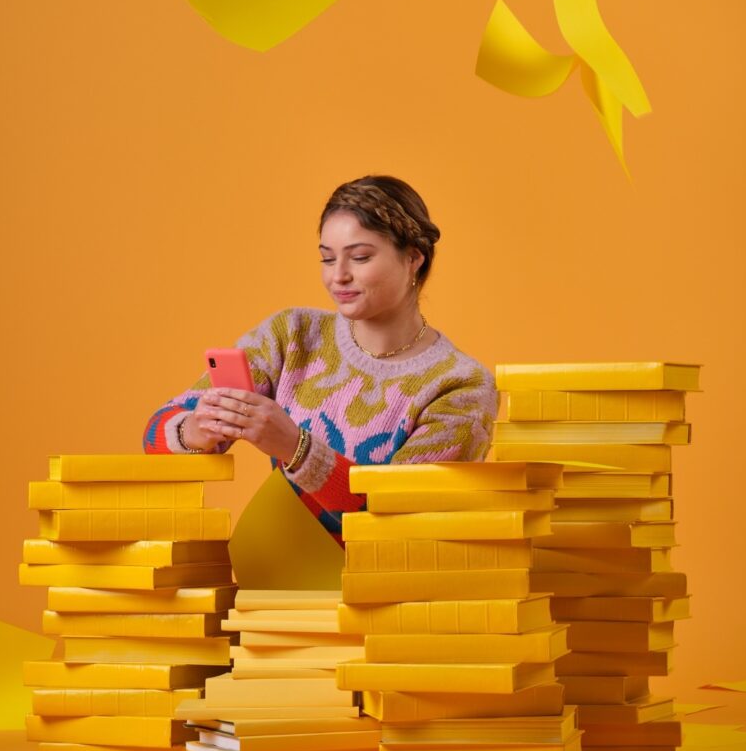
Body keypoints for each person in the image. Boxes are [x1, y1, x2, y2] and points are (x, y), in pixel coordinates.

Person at [143, 175, 497, 544]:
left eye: (360, 257)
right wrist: (197, 430)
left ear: (413, 259)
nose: (338, 276)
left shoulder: (462, 386)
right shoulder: (292, 335)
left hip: (392, 590)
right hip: (283, 583)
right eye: (327, 259)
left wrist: (295, 448)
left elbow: (398, 522)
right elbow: (154, 436)